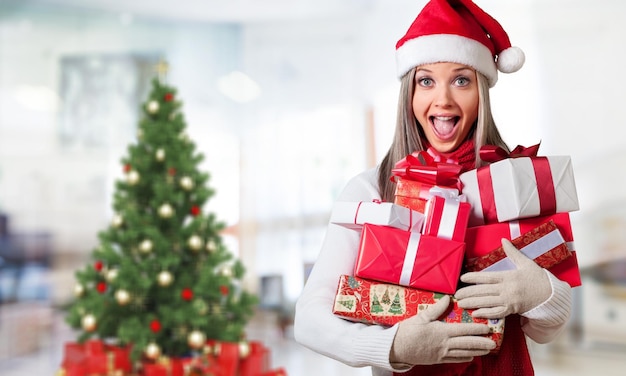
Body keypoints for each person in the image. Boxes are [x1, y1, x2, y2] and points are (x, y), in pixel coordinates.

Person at [293, 1, 572, 375]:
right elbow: (309, 319)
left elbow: (544, 331)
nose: (442, 99)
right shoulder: (369, 190)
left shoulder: (518, 182)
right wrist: (392, 346)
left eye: (461, 80)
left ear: (481, 93)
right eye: (426, 80)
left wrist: (546, 296)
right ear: (409, 93)